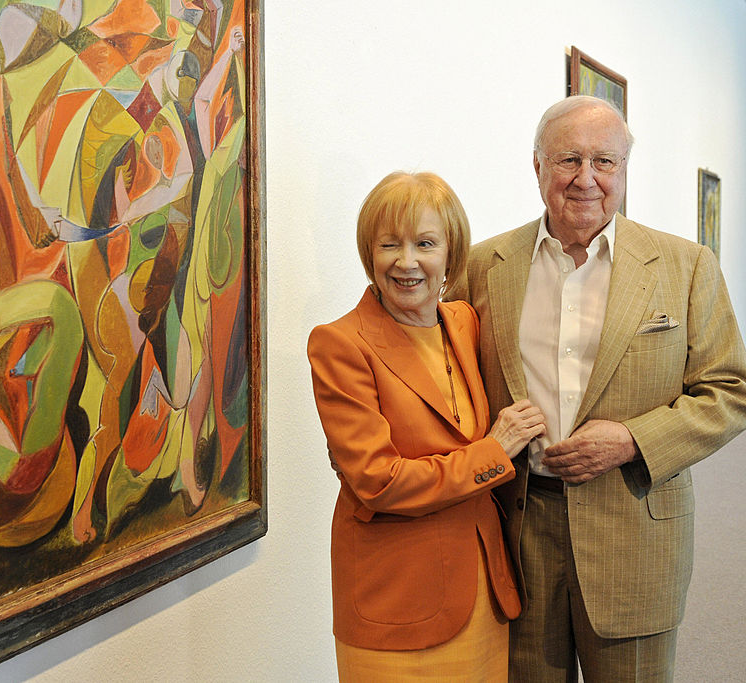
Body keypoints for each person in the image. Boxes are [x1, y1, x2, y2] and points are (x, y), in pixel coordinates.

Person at [447, 95, 746, 682]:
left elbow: (731, 389)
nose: (586, 179)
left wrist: (633, 439)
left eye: (604, 162)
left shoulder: (686, 266)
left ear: (625, 171)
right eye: (568, 160)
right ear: (537, 167)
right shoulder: (483, 266)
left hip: (634, 531)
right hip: (520, 534)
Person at [308, 171, 546, 681]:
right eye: (389, 244)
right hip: (398, 599)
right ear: (369, 253)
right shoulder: (340, 344)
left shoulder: (463, 321)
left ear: (450, 254)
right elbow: (378, 481)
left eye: (425, 243)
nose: (407, 261)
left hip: (483, 590)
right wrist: (494, 451)